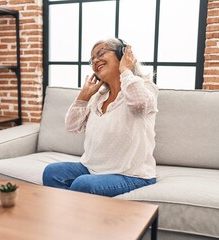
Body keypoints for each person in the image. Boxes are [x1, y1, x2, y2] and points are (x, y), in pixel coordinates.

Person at [42, 38, 159, 197]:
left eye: (101, 53)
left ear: (121, 54)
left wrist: (126, 70)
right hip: (92, 168)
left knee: (83, 184)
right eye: (92, 59)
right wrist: (83, 97)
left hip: (132, 174)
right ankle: (73, 216)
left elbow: (138, 105)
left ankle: (72, 217)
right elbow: (71, 126)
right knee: (52, 172)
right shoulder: (98, 97)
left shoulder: (144, 87)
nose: (96, 60)